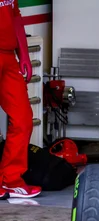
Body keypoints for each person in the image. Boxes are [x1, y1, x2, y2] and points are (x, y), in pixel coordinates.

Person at [0, 0, 41, 199]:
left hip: (8, 57)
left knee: (23, 119)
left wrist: (23, 54)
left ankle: (11, 180)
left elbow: (15, 17)